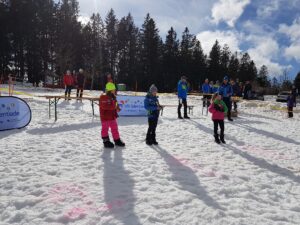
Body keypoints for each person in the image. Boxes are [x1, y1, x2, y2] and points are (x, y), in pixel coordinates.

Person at [99, 82, 125, 148]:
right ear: (110, 90)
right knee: (105, 129)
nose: (115, 90)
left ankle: (117, 140)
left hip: (112, 117)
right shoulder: (103, 97)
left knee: (115, 128)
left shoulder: (113, 97)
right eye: (114, 89)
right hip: (105, 117)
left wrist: (117, 108)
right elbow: (105, 106)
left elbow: (115, 105)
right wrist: (114, 106)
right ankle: (106, 141)